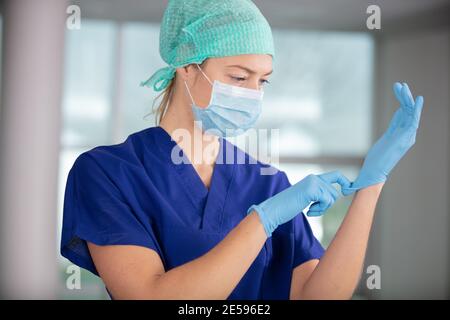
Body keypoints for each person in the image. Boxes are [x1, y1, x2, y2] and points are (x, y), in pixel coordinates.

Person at [60, 0, 424, 299]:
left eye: (262, 80)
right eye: (238, 77)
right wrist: (261, 221)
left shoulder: (268, 182)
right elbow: (148, 296)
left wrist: (370, 185)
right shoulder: (107, 172)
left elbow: (317, 296)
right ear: (187, 66)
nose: (252, 93)